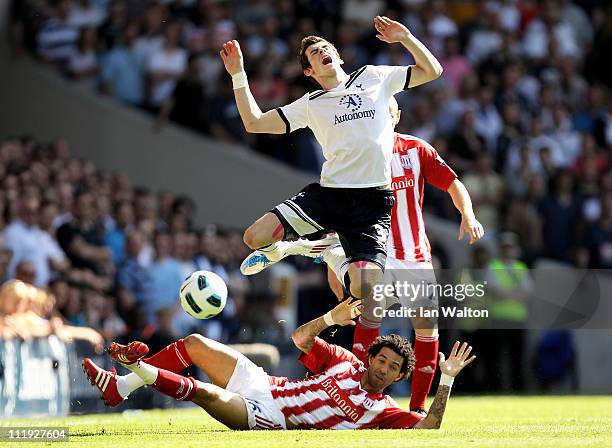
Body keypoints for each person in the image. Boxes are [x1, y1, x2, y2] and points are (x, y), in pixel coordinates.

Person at [239, 97, 484, 413]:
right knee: (368, 316)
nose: (383, 115)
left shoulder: (416, 149)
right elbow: (343, 206)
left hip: (415, 256)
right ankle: (357, 392)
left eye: (388, 110)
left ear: (396, 115)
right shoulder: (357, 154)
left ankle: (419, 408)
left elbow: (452, 182)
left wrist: (468, 213)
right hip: (373, 250)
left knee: (427, 328)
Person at [221, 16, 443, 336]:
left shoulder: (374, 77)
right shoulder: (311, 105)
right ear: (309, 72)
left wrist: (405, 37)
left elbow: (432, 71)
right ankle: (286, 248)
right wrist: (238, 74)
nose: (323, 51)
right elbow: (254, 123)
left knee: (365, 292)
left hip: (373, 203)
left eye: (326, 47)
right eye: (314, 53)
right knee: (253, 238)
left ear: (338, 55)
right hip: (330, 194)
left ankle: (328, 251)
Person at [82, 298, 475, 430]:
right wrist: (331, 319)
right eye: (382, 360)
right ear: (370, 357)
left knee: (206, 392)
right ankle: (122, 386)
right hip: (265, 383)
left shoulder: (383, 412)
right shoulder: (345, 363)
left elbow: (430, 427)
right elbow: (299, 339)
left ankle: (138, 372)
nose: (384, 369)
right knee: (196, 343)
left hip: (269, 416)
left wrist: (446, 380)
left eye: (393, 369)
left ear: (399, 378)